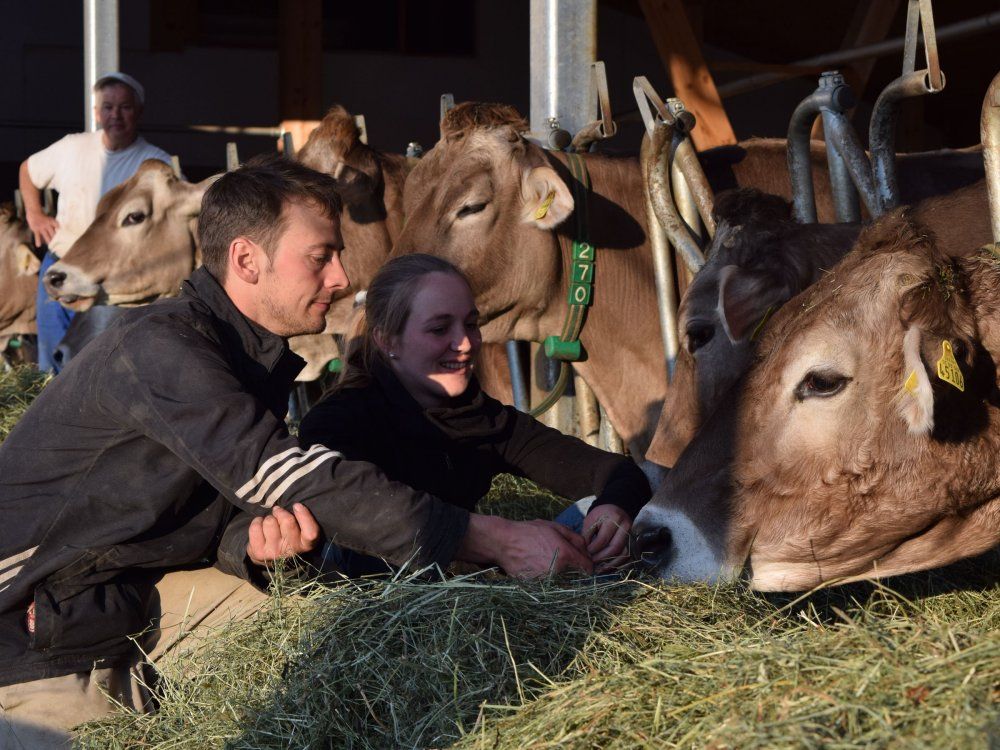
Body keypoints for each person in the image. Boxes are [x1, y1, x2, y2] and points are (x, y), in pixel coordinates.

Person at [0, 156, 597, 748]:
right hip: (37, 630)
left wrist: (260, 552)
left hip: (127, 594)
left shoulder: (248, 357)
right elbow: (288, 476)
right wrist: (497, 539)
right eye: (321, 257)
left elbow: (226, 509)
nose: (341, 278)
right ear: (246, 259)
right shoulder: (162, 349)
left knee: (343, 639)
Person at [298, 254, 652, 578]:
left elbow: (615, 472)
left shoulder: (481, 416)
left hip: (482, 600)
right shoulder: (338, 423)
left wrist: (613, 511)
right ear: (388, 341)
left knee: (596, 514)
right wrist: (495, 555)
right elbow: (357, 539)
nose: (465, 343)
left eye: (470, 324)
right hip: (389, 615)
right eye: (439, 329)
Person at [18, 71, 172, 371]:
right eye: (108, 107)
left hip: (114, 277)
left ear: (138, 111)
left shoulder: (156, 163)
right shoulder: (72, 147)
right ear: (96, 113)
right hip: (61, 262)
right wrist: (34, 214)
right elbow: (28, 169)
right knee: (51, 355)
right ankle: (50, 410)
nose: (115, 115)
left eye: (125, 107)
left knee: (98, 359)